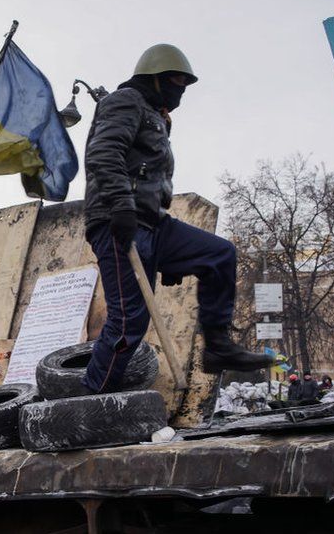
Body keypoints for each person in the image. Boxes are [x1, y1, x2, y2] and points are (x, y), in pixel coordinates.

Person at [82, 44, 274, 393]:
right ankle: (90, 401)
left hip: (154, 223)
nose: (180, 91)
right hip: (118, 220)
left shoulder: (157, 115)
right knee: (129, 323)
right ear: (153, 79)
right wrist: (122, 206)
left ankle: (217, 347)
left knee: (219, 255)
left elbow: (152, 179)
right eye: (175, 82)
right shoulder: (125, 101)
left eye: (185, 85)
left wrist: (172, 258)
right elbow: (103, 153)